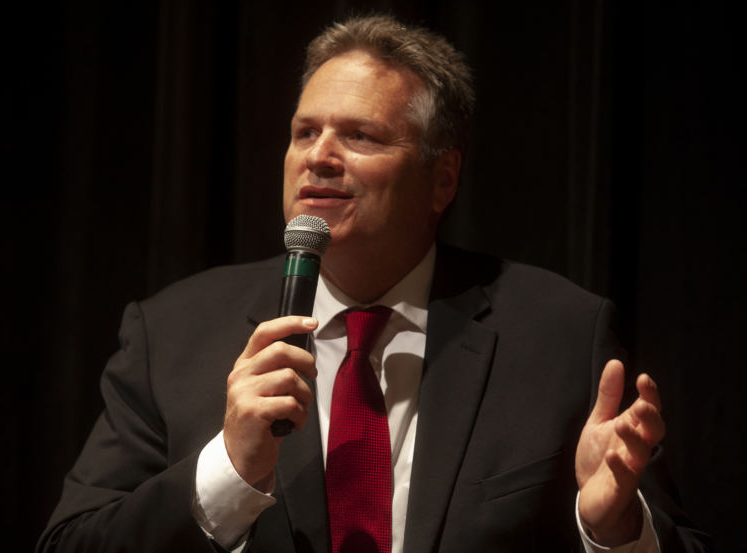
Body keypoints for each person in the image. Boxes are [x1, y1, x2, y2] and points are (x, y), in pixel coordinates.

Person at [38, 15, 709, 553]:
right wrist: (228, 474)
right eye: (305, 132)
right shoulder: (172, 333)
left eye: (359, 135)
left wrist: (615, 531)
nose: (318, 156)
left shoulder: (560, 333)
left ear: (442, 178)